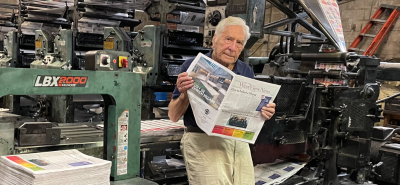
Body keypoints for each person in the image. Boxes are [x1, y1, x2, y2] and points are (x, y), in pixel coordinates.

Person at [168, 16, 276, 185]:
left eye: (239, 43)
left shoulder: (246, 71)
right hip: (203, 141)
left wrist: (263, 112)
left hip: (237, 143)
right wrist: (184, 94)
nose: (232, 47)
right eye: (228, 39)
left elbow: (250, 117)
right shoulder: (192, 67)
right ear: (215, 39)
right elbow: (174, 116)